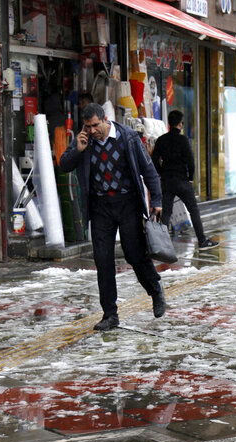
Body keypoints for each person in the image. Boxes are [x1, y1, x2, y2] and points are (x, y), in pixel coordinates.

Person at [60, 103, 167, 331]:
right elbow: (64, 165)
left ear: (105, 119)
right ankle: (110, 314)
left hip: (127, 202)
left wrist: (156, 201)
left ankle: (155, 291)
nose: (91, 131)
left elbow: (149, 170)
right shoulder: (84, 141)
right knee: (103, 260)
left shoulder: (127, 138)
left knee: (134, 254)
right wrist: (78, 149)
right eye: (87, 126)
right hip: (100, 207)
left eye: (95, 125)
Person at [151, 110, 219, 250]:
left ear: (169, 123)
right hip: (182, 180)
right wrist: (190, 178)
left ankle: (162, 244)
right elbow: (190, 161)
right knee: (193, 210)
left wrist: (162, 172)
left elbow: (154, 160)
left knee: (167, 212)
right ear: (180, 124)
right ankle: (202, 240)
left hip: (167, 181)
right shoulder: (183, 140)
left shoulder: (161, 140)